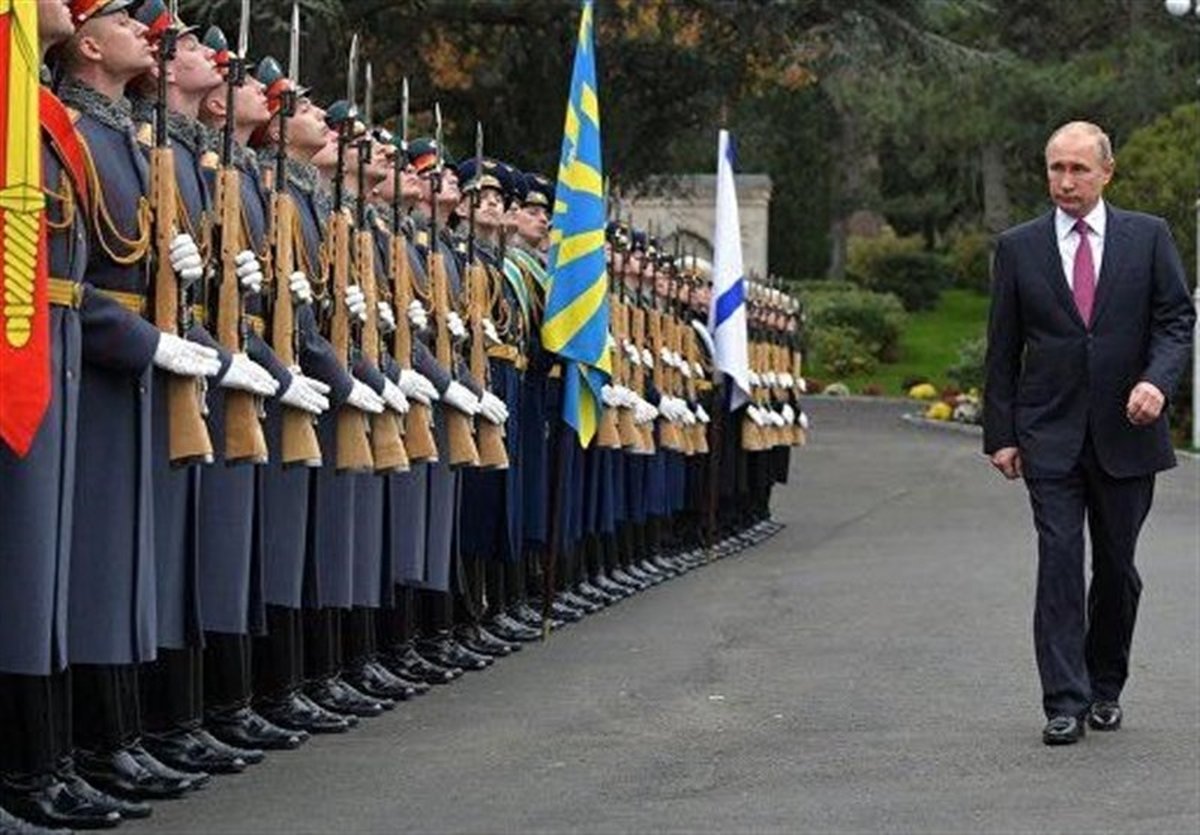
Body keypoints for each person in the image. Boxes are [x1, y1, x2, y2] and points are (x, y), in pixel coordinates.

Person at [983, 120, 1194, 745]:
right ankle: (1064, 701)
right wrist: (1001, 433)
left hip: (1128, 435)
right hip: (1048, 433)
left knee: (1118, 569)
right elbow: (1003, 347)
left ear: (1107, 172)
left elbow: (1176, 320)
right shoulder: (1018, 247)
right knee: (1058, 561)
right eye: (1057, 168)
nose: (1066, 181)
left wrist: (1157, 382)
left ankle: (1105, 687)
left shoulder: (1148, 237)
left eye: (1078, 169)